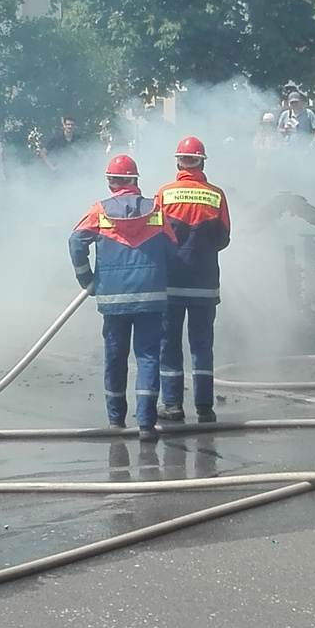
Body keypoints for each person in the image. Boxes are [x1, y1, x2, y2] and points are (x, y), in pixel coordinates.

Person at [69, 154, 178, 442]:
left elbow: (75, 242)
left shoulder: (100, 210)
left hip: (113, 298)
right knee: (147, 357)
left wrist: (87, 279)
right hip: (151, 298)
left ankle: (116, 420)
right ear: (135, 180)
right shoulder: (156, 209)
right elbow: (172, 248)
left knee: (115, 358)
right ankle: (145, 424)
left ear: (111, 182)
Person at [155, 137, 230, 424]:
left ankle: (172, 404)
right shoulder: (216, 196)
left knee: (169, 343)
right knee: (202, 345)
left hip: (171, 283)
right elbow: (223, 239)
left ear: (178, 162)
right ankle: (204, 407)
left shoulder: (164, 195)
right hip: (205, 284)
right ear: (201, 161)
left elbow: (156, 236)